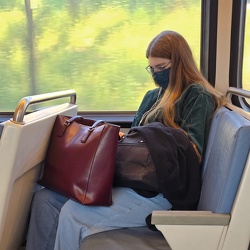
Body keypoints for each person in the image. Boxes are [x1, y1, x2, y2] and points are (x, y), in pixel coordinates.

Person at [25, 30, 225, 250]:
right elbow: (134, 138)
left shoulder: (196, 95)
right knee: (46, 200)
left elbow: (193, 152)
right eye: (152, 68)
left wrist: (155, 140)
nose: (156, 75)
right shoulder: (152, 96)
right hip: (130, 178)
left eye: (161, 68)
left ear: (179, 64)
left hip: (161, 189)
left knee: (74, 214)